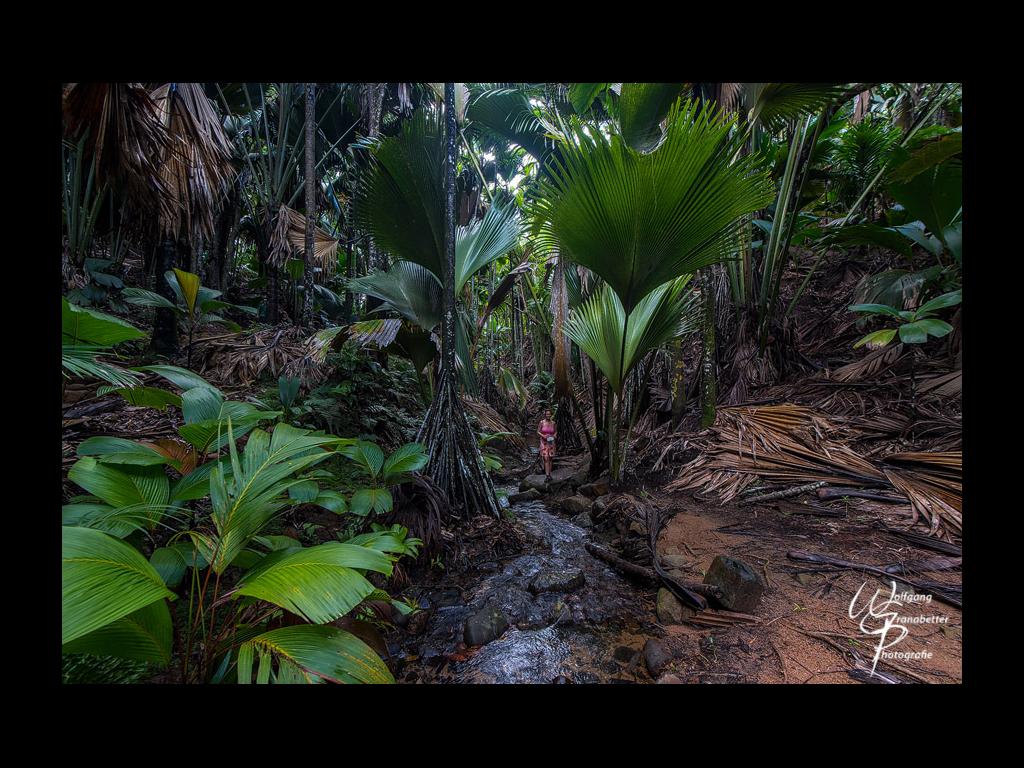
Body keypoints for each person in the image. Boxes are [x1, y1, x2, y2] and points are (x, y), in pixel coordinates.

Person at [537, 408, 557, 479]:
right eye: (547, 414)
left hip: (551, 441)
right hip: (544, 442)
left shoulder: (553, 423)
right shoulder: (542, 422)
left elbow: (555, 431)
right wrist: (543, 436)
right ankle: (547, 475)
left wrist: (554, 435)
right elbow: (538, 431)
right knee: (546, 458)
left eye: (549, 414)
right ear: (545, 415)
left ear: (551, 415)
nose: (548, 415)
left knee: (551, 458)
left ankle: (550, 474)